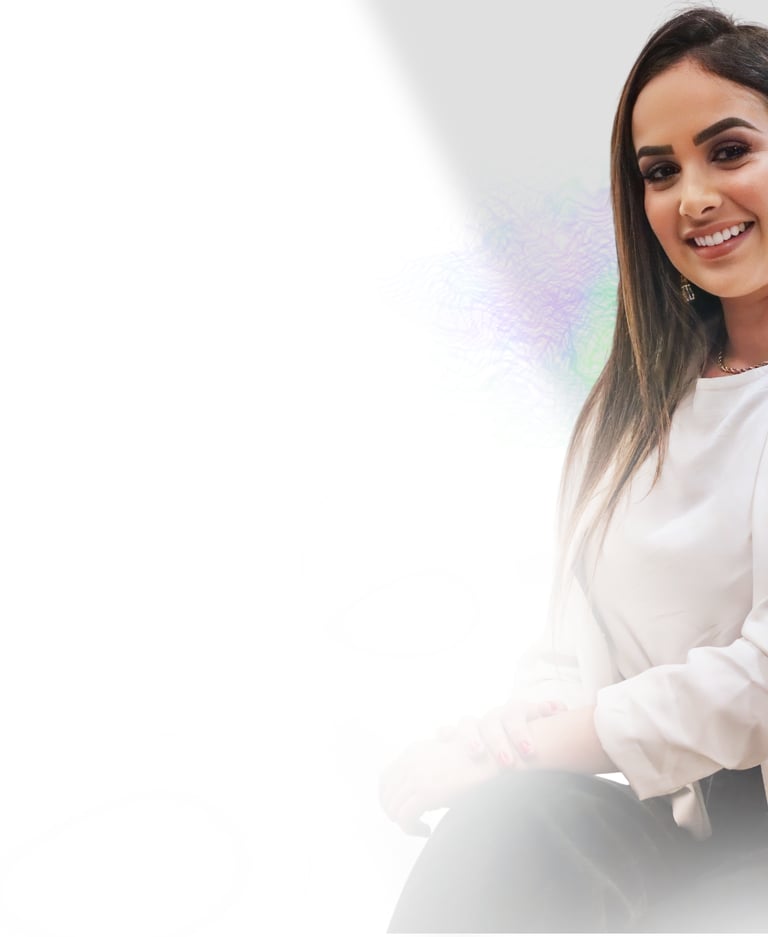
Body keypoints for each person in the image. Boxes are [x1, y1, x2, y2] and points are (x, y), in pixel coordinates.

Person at [379, 6, 768, 932]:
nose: (693, 197)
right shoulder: (633, 406)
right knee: (508, 827)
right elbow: (571, 644)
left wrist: (527, 749)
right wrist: (512, 736)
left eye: (729, 151)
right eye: (660, 172)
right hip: (687, 830)